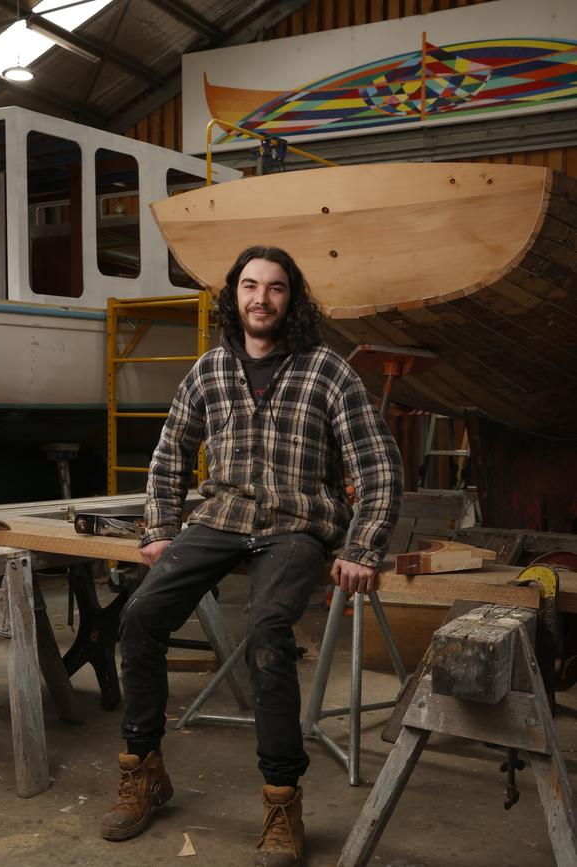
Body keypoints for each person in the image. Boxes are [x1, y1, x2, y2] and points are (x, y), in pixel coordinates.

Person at [101, 246, 403, 865]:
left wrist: (362, 546)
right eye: (248, 286)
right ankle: (143, 769)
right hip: (221, 518)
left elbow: (378, 464)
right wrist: (159, 527)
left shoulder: (328, 371)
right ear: (233, 297)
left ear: (292, 300)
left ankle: (281, 799)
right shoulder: (208, 370)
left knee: (267, 630)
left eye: (275, 288)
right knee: (140, 617)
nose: (260, 298)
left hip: (297, 525)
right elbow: (170, 453)